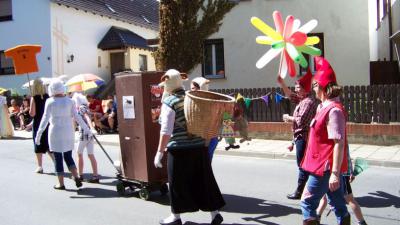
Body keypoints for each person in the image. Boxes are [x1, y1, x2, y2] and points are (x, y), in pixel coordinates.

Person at [154, 69, 225, 225]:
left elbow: (166, 130)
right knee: (204, 180)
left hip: (179, 149)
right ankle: (215, 214)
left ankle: (175, 217)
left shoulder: (169, 102)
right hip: (199, 146)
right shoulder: (192, 96)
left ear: (167, 82)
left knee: (176, 183)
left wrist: (159, 152)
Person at [300, 57, 350, 225]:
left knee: (306, 203)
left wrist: (335, 173)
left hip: (325, 168)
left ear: (321, 86)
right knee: (338, 205)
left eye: (314, 85)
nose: (312, 89)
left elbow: (339, 143)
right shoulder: (323, 107)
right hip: (323, 166)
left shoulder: (333, 110)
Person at [35, 79, 91, 190]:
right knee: (68, 156)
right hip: (68, 131)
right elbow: (77, 117)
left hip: (55, 131)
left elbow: (44, 119)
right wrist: (87, 129)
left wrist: (38, 134)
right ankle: (76, 176)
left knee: (58, 157)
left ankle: (60, 183)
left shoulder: (50, 101)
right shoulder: (70, 101)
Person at [277, 69, 318, 200]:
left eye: (298, 87)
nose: (295, 88)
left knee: (302, 165)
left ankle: (300, 191)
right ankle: (308, 189)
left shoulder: (308, 102)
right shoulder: (302, 100)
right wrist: (281, 83)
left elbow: (301, 121)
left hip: (304, 138)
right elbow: (290, 95)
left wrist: (288, 117)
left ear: (305, 89)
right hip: (299, 138)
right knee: (304, 165)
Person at [316, 150, 368, 225]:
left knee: (349, 199)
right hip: (328, 174)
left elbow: (345, 155)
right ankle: (316, 219)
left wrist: (350, 173)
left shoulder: (339, 140)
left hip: (339, 174)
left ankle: (362, 223)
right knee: (324, 198)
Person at [72, 92, 99, 183]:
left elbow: (86, 117)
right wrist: (92, 129)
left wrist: (91, 128)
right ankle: (95, 176)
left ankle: (80, 175)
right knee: (91, 155)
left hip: (84, 133)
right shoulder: (86, 107)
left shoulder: (80, 108)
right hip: (90, 134)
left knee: (79, 154)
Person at [190, 77, 219, 161]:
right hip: (204, 140)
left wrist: (206, 143)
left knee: (205, 166)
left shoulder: (207, 103)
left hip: (208, 140)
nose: (191, 91)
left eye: (193, 88)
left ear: (200, 89)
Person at [30, 79, 54, 173]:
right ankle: (56, 163)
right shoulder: (47, 96)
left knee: (38, 143)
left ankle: (40, 166)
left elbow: (32, 113)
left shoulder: (34, 97)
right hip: (47, 122)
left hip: (38, 123)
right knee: (48, 143)